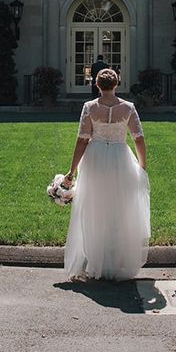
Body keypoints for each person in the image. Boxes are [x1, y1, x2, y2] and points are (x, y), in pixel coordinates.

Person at [63, 68, 150, 281]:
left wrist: (71, 170)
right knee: (119, 208)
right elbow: (138, 138)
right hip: (121, 157)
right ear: (117, 84)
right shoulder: (128, 108)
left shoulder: (90, 107)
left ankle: (94, 259)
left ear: (97, 85)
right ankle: (115, 258)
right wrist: (142, 165)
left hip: (96, 157)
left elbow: (82, 140)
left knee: (93, 207)